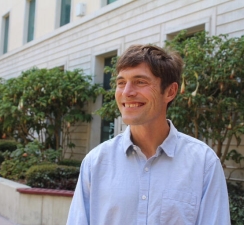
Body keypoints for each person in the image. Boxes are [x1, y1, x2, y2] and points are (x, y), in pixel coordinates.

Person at [66, 45, 230, 225]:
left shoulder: (204, 164)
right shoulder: (95, 163)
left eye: (140, 82)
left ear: (170, 92)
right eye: (121, 83)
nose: (127, 92)